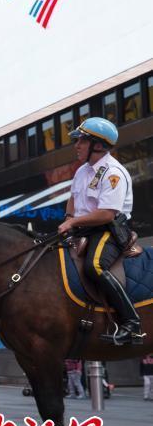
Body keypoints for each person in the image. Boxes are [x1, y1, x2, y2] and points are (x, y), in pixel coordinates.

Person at [59, 117, 144, 345]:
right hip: (82, 229)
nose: (76, 145)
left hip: (110, 229)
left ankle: (132, 324)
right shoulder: (82, 171)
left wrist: (72, 223)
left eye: (82, 141)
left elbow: (107, 214)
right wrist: (69, 218)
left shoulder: (113, 172)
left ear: (98, 145)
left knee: (94, 266)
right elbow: (73, 198)